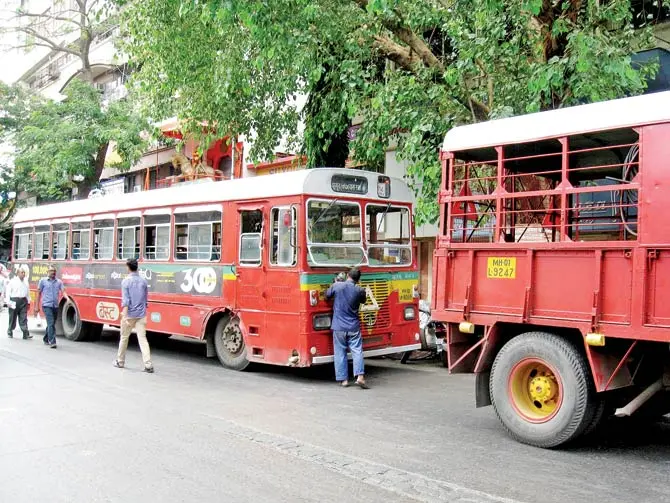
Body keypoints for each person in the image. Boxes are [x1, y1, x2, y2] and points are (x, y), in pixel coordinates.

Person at [325, 267, 368, 389]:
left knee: (340, 352)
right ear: (358, 279)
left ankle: (343, 380)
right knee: (357, 350)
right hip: (353, 326)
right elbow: (363, 301)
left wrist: (335, 283)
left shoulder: (338, 286)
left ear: (348, 275)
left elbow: (327, 295)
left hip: (339, 326)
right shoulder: (360, 290)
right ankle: (360, 377)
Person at [114, 258, 153, 373]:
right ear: (137, 267)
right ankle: (148, 364)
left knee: (124, 338)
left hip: (130, 315)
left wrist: (124, 316)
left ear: (128, 267)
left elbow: (126, 301)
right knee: (143, 339)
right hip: (141, 315)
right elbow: (146, 300)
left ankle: (120, 361)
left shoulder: (126, 281)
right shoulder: (143, 281)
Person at [34, 265, 67, 348]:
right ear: (47, 272)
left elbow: (63, 291)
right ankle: (52, 341)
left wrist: (67, 298)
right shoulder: (43, 281)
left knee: (51, 324)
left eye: (54, 271)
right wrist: (36, 306)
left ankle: (46, 338)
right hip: (46, 305)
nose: (53, 272)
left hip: (55, 306)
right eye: (51, 271)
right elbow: (38, 293)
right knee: (51, 323)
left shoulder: (59, 282)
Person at [6, 268, 32, 339]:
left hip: (23, 301)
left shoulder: (26, 282)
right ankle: (10, 330)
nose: (23, 274)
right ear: (17, 273)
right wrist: (8, 302)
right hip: (14, 300)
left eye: (24, 273)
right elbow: (8, 292)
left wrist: (28, 302)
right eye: (22, 272)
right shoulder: (12, 281)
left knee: (23, 317)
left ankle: (25, 332)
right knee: (13, 317)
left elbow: (28, 293)